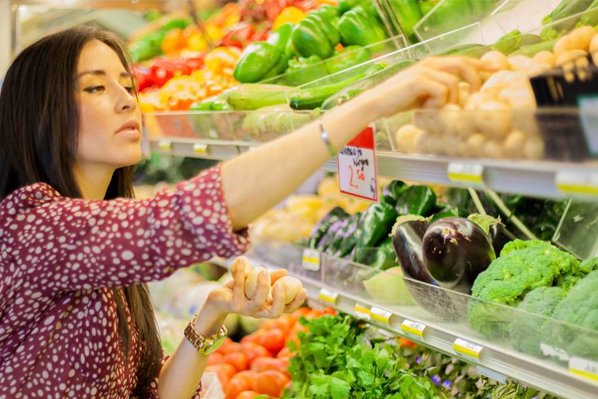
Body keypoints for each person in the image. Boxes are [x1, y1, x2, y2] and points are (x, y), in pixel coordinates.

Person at [0, 26, 484, 398]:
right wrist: (366, 107)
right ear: (42, 112)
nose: (128, 99)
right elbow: (188, 213)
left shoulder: (101, 236)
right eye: (95, 88)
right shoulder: (33, 227)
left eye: (127, 83)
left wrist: (213, 312)